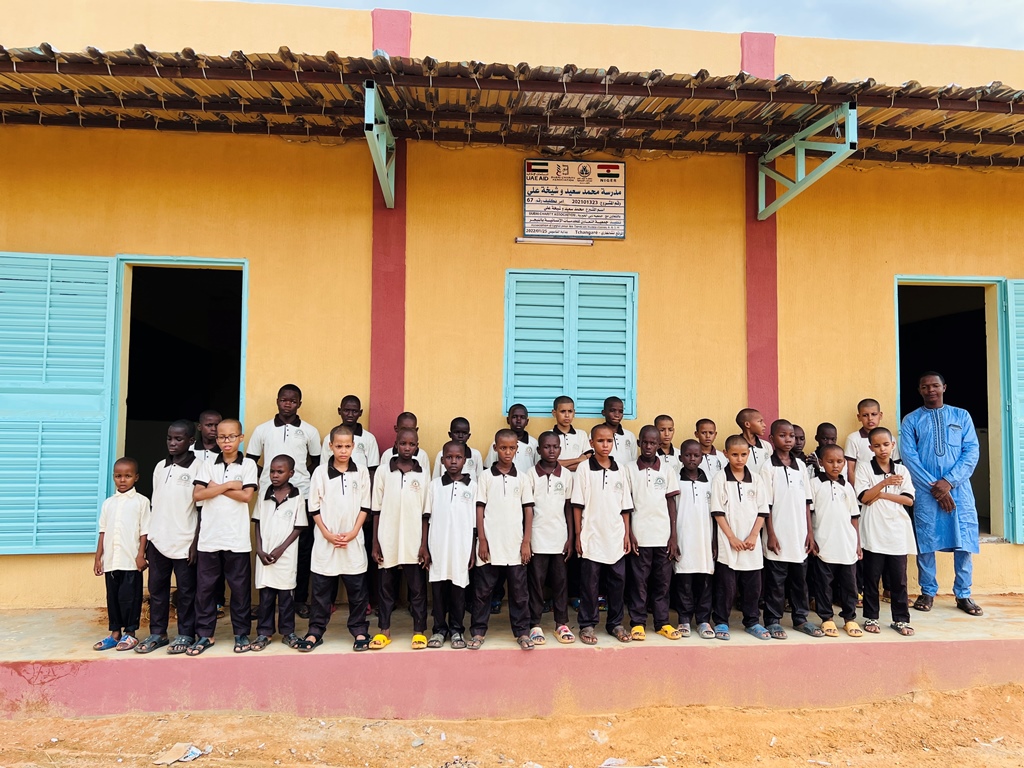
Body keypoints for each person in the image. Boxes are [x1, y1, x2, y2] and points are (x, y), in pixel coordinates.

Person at [900, 372, 983, 616]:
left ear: (944, 387)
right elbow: (909, 457)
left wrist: (948, 482)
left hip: (960, 490)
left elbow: (971, 452)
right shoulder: (911, 420)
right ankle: (928, 591)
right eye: (925, 387)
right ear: (919, 390)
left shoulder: (961, 416)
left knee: (964, 541)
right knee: (926, 541)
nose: (930, 390)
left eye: (935, 385)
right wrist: (934, 487)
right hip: (926, 492)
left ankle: (963, 594)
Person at [246, 384, 321, 620]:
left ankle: (298, 599)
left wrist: (297, 478)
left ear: (300, 403)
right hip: (269, 497)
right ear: (277, 401)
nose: (288, 404)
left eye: (293, 400)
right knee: (267, 545)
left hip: (302, 496)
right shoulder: (263, 430)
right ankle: (265, 601)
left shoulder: (309, 431)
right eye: (284, 400)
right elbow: (251, 461)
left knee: (302, 549)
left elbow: (317, 461)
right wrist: (267, 477)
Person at [190, 418, 258, 655]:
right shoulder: (207, 463)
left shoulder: (249, 464)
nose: (226, 441)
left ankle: (241, 634)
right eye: (221, 437)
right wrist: (230, 485)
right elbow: (198, 495)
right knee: (206, 589)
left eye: (231, 436)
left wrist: (215, 487)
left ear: (241, 438)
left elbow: (247, 496)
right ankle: (205, 634)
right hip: (209, 537)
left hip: (236, 538)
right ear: (215, 439)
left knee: (239, 589)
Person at [305, 425, 373, 652]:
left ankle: (359, 629)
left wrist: (354, 532)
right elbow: (313, 506)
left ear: (353, 446)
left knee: (357, 591)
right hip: (326, 540)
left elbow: (365, 505)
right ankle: (315, 631)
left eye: (347, 446)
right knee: (321, 591)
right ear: (330, 446)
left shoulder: (361, 471)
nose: (343, 450)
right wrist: (326, 533)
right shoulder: (320, 473)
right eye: (339, 446)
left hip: (353, 540)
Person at [137, 420, 201, 655]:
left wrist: (196, 542)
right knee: (157, 589)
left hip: (184, 540)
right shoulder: (159, 467)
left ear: (191, 441)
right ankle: (158, 633)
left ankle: (186, 633)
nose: (172, 443)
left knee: (185, 591)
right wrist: (149, 541)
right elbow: (157, 504)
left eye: (179, 439)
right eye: (169, 438)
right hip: (158, 539)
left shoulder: (199, 467)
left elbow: (202, 509)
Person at [469, 429, 536, 650]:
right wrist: (482, 539)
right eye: (503, 448)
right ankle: (478, 631)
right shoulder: (486, 476)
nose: (507, 452)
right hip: (490, 545)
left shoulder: (523, 478)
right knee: (482, 592)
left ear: (517, 449)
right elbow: (480, 508)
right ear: (495, 448)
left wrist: (526, 541)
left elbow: (528, 511)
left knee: (519, 592)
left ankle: (522, 631)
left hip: (515, 545)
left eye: (512, 448)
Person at [572, 423, 635, 646]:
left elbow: (625, 506)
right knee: (590, 583)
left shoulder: (621, 470)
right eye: (600, 441)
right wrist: (579, 534)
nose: (605, 445)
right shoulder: (584, 469)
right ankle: (587, 624)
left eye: (609, 441)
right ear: (591, 443)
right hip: (591, 534)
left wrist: (627, 534)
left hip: (615, 534)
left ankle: (615, 623)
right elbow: (577, 504)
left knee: (617, 582)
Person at [370, 426, 430, 649]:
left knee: (417, 589)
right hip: (388, 538)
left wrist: (424, 545)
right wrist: (376, 541)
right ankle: (384, 631)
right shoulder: (384, 471)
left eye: (411, 444)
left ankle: (419, 631)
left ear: (417, 446)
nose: (407, 447)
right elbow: (376, 509)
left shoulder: (423, 474)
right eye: (402, 443)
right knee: (386, 588)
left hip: (414, 540)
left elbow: (426, 513)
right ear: (395, 445)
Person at [759, 419, 819, 639]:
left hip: (799, 534)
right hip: (778, 534)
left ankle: (800, 618)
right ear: (772, 439)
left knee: (799, 580)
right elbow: (766, 505)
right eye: (783, 436)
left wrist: (810, 533)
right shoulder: (768, 468)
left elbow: (806, 502)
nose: (788, 440)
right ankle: (773, 620)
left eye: (791, 436)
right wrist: (771, 534)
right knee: (775, 580)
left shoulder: (800, 466)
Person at [855, 427, 916, 636]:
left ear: (893, 445)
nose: (882, 449)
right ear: (871, 447)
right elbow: (863, 497)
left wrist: (880, 495)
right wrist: (884, 483)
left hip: (897, 531)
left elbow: (908, 499)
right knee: (871, 578)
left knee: (899, 579)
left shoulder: (902, 471)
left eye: (886, 444)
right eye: (877, 445)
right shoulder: (864, 468)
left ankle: (901, 619)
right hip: (873, 531)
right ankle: (871, 617)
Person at [710, 435, 770, 641]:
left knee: (753, 586)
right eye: (734, 455)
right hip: (729, 541)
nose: (739, 459)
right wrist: (732, 538)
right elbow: (717, 511)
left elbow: (763, 510)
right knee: (726, 586)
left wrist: (754, 535)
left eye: (743, 454)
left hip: (751, 542)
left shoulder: (756, 479)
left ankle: (752, 621)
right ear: (726, 454)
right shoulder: (720, 478)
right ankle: (721, 621)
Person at [626, 426, 682, 641]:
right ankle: (638, 623)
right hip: (640, 535)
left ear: (659, 445)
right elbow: (627, 504)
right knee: (639, 582)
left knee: (662, 582)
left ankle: (662, 622)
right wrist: (629, 533)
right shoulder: (629, 469)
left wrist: (673, 536)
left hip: (662, 535)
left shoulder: (667, 470)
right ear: (639, 443)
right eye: (645, 442)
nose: (649, 447)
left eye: (653, 443)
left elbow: (671, 503)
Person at [92, 457, 150, 652]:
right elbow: (103, 531)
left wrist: (141, 554)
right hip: (111, 560)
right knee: (113, 597)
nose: (122, 480)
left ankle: (130, 633)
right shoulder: (108, 503)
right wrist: (98, 557)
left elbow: (144, 531)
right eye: (118, 476)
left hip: (131, 559)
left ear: (136, 477)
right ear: (113, 478)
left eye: (127, 476)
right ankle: (115, 633)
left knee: (130, 598)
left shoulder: (142, 502)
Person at [424, 441, 478, 649]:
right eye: (449, 457)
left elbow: (474, 523)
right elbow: (426, 518)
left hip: (461, 547)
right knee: (438, 590)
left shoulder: (473, 486)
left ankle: (456, 630)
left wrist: (472, 550)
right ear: (442, 460)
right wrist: (424, 547)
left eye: (458, 457)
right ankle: (438, 630)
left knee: (458, 589)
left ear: (465, 460)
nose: (453, 461)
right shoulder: (434, 485)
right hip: (438, 545)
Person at [251, 455, 305, 651]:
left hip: (286, 557)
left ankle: (288, 632)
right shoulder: (264, 496)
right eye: (272, 471)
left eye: (280, 472)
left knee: (285, 597)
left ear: (291, 473)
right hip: (264, 555)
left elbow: (299, 526)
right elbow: (257, 523)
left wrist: (281, 549)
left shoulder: (297, 497)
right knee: (265, 597)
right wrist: (259, 549)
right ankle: (264, 633)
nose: (275, 475)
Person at [809, 444, 863, 638]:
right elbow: (809, 512)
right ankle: (827, 618)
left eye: (839, 461)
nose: (835, 465)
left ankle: (849, 619)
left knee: (849, 585)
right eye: (830, 461)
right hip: (824, 542)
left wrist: (857, 543)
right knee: (824, 584)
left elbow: (854, 516)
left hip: (846, 544)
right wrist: (812, 537)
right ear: (821, 462)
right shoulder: (814, 484)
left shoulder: (847, 486)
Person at [526, 431, 575, 645]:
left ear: (560, 449)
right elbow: (526, 509)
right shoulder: (529, 474)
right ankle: (535, 624)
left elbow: (569, 508)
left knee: (560, 582)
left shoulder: (566, 475)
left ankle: (561, 623)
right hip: (537, 537)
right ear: (539, 450)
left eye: (555, 447)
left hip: (559, 538)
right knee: (536, 583)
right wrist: (526, 540)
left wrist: (571, 537)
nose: (551, 450)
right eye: (546, 447)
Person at [673, 440, 716, 639]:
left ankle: (703, 619)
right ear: (680, 457)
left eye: (696, 455)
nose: (692, 459)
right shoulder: (675, 480)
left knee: (704, 581)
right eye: (688, 455)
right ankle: (683, 619)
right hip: (683, 538)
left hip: (704, 539)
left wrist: (714, 541)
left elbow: (715, 515)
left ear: (702, 457)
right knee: (684, 581)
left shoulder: (710, 482)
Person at [320, 394, 381, 476]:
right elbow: (324, 468)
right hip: (335, 485)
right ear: (339, 411)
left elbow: (372, 470)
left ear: (360, 413)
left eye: (354, 411)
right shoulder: (329, 438)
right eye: (346, 410)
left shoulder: (369, 438)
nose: (350, 415)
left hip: (360, 485)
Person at [844, 398, 901, 485]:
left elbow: (896, 466)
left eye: (874, 414)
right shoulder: (853, 439)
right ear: (859, 417)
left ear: (880, 415)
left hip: (887, 488)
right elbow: (850, 470)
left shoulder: (890, 439)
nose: (870, 418)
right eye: (865, 415)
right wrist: (858, 491)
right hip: (863, 487)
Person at [484, 404, 538, 473]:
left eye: (522, 417)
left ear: (527, 422)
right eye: (514, 417)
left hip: (526, 482)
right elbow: (488, 467)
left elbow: (538, 467)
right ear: (508, 420)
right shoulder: (497, 442)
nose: (518, 420)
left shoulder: (534, 443)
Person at [552, 396, 592, 471]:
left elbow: (588, 462)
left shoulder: (581, 434)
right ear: (554, 413)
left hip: (578, 480)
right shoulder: (548, 436)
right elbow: (549, 465)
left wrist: (559, 465)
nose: (567, 415)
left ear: (574, 413)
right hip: (556, 480)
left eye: (570, 411)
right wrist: (578, 460)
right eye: (563, 411)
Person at [602, 396, 638, 463]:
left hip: (626, 473)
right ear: (604, 412)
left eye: (620, 411)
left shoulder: (630, 436)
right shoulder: (597, 434)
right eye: (612, 411)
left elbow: (634, 460)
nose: (617, 415)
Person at [695, 419, 727, 483]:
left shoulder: (722, 457)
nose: (708, 436)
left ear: (715, 435)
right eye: (703, 433)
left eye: (711, 433)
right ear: (696, 434)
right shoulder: (692, 457)